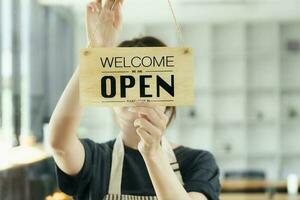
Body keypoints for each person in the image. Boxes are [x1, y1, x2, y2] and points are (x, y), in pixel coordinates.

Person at [48, 0, 221, 200]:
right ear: (110, 98)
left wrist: (153, 153)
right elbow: (59, 143)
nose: (137, 94)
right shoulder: (96, 159)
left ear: (169, 99)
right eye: (125, 81)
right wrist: (96, 52)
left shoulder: (198, 162)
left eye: (148, 80)